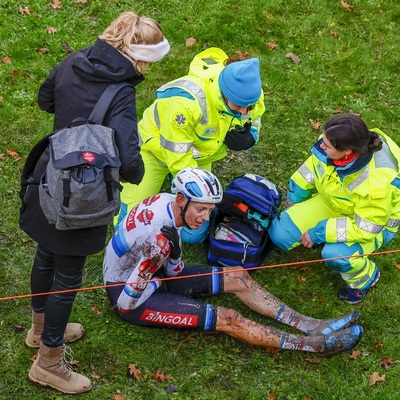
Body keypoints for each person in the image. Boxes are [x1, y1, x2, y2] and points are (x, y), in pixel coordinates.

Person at [19, 11, 170, 394]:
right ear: (139, 56)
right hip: (82, 195)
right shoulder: (121, 93)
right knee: (67, 279)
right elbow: (131, 162)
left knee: (44, 257)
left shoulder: (73, 60)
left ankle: (39, 331)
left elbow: (44, 99)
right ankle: (48, 364)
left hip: (48, 178)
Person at [103, 167, 364, 357]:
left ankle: (311, 325)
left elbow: (175, 271)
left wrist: (173, 256)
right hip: (129, 294)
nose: (205, 219)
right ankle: (313, 345)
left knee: (238, 276)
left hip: (152, 269)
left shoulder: (167, 203)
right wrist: (163, 265)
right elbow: (127, 303)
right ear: (182, 200)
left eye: (209, 210)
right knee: (230, 318)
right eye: (200, 210)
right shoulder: (158, 239)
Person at [115, 47, 266, 243]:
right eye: (238, 107)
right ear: (223, 93)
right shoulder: (185, 102)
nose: (244, 110)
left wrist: (250, 138)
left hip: (200, 157)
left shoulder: (249, 95)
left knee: (192, 233)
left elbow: (255, 119)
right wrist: (199, 190)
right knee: (132, 223)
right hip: (155, 152)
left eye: (249, 106)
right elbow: (176, 154)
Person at [269, 113, 400, 304]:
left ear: (347, 152)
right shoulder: (332, 143)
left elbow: (365, 228)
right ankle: (328, 238)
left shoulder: (377, 184)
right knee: (279, 233)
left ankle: (366, 278)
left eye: (327, 145)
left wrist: (319, 233)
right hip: (332, 203)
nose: (322, 146)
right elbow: (311, 168)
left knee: (336, 256)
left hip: (370, 225)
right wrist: (295, 195)